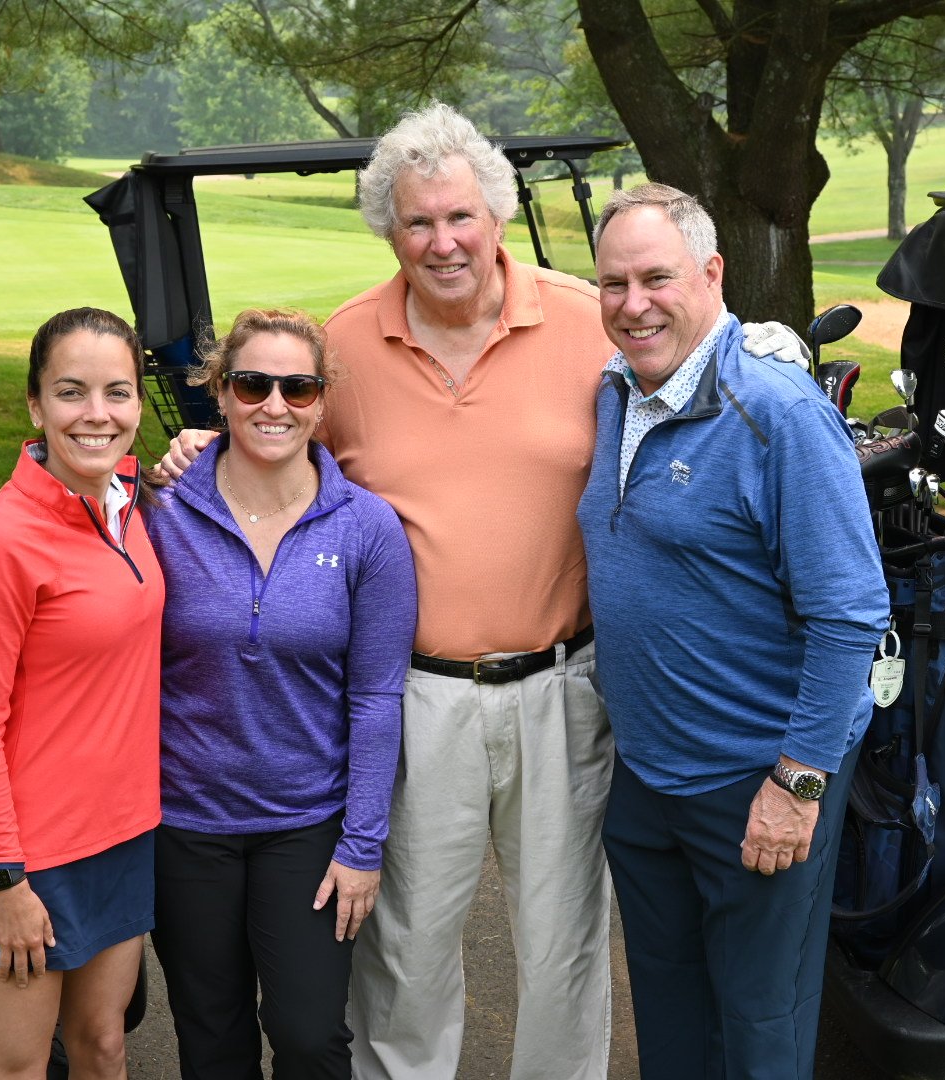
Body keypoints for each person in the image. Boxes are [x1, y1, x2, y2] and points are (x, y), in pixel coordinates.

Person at [158, 104, 810, 1080]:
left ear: (496, 215)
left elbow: (698, 356)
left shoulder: (592, 322)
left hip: (565, 685)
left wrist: (768, 346)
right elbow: (277, 442)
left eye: (459, 216)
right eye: (417, 222)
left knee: (564, 952)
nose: (442, 241)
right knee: (406, 952)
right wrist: (205, 447)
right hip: (415, 694)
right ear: (390, 229)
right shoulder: (343, 349)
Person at [575, 184, 890, 1080]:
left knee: (758, 1033)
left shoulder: (779, 413)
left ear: (711, 274)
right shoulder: (614, 391)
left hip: (755, 781)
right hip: (648, 779)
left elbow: (850, 614)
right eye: (612, 283)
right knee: (672, 1024)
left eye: (656, 278)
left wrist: (795, 783)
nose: (633, 304)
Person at [147, 309, 417, 1080]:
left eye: (297, 387)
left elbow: (375, 697)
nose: (275, 404)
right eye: (252, 384)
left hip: (307, 826)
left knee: (307, 1034)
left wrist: (362, 845)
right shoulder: (162, 512)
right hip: (185, 822)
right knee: (211, 1033)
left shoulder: (368, 528)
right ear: (219, 394)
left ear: (322, 401)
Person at [0, 307, 163, 1080]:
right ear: (36, 405)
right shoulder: (0, 542)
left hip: (123, 833)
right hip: (28, 858)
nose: (97, 415)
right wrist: (6, 881)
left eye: (117, 393)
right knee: (17, 1067)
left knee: (103, 1045)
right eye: (72, 392)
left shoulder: (126, 499)